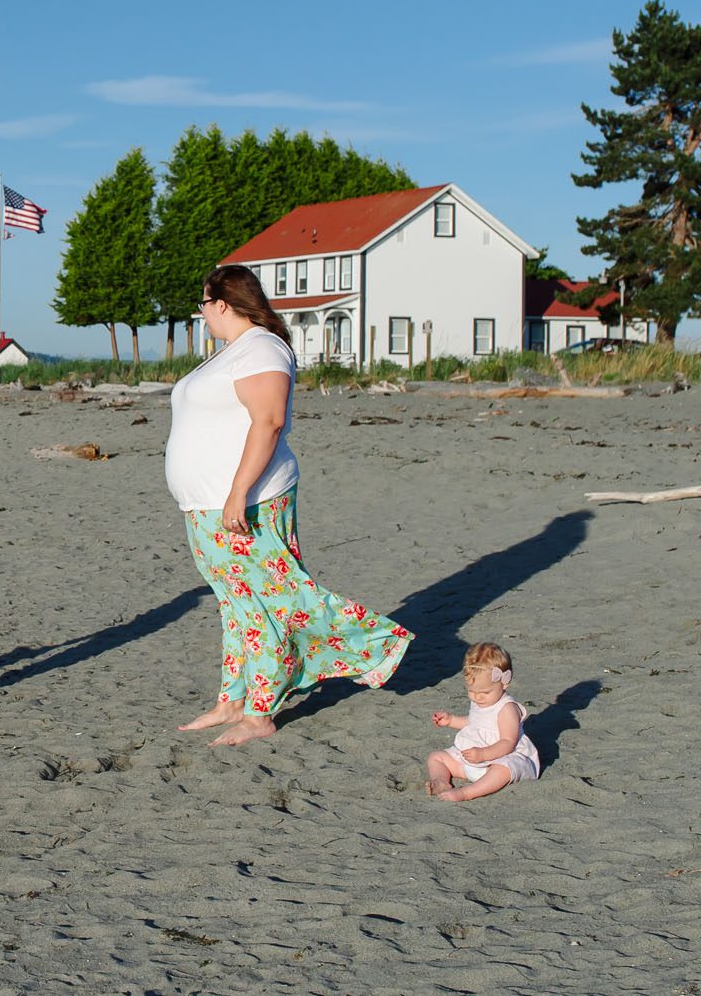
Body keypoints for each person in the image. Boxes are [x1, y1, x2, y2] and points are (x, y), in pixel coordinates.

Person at [165, 264, 411, 747]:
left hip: (245, 501)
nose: (201, 313)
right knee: (238, 605)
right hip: (207, 505)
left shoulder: (261, 348)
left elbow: (269, 422)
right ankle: (233, 699)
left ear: (222, 304)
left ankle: (267, 708)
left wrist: (238, 492)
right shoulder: (234, 352)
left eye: (203, 304)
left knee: (274, 601)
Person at [428, 642, 539, 802]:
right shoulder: (480, 701)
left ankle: (467, 793)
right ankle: (441, 781)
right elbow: (474, 723)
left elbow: (508, 742)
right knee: (436, 757)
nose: (477, 697)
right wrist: (451, 720)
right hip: (471, 761)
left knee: (504, 769)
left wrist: (484, 754)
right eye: (471, 691)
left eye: (485, 692)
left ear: (504, 683)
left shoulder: (507, 708)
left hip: (497, 759)